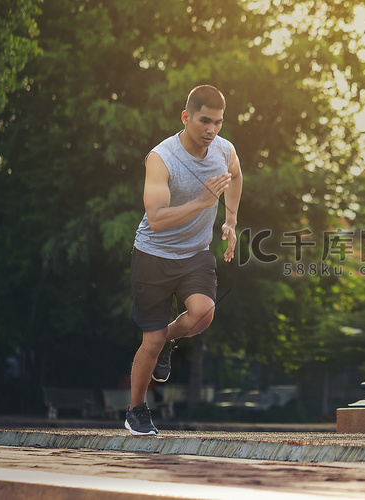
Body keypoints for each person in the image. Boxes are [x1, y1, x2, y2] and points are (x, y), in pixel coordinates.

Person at [125, 85, 242, 436]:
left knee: (204, 313)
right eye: (205, 121)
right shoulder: (162, 158)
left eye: (218, 123)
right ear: (186, 117)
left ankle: (170, 342)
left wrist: (231, 220)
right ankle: (136, 410)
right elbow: (157, 217)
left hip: (195, 253)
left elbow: (235, 176)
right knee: (151, 339)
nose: (212, 130)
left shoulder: (224, 150)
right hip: (154, 255)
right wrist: (203, 203)